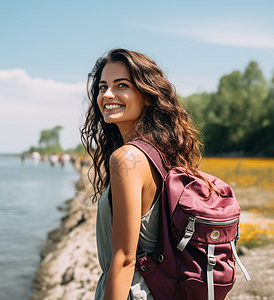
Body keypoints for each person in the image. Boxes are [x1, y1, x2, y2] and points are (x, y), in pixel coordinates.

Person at [81, 48, 213, 300]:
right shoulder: (160, 153)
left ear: (149, 96)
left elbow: (124, 260)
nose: (107, 94)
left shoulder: (127, 158)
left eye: (121, 85)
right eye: (102, 87)